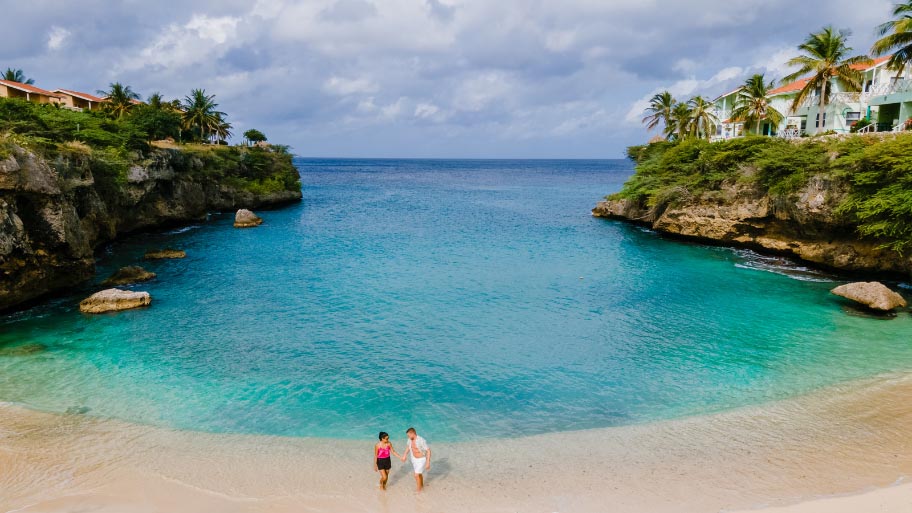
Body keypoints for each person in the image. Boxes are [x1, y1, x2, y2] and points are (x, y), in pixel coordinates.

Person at [400, 427, 431, 492]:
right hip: (414, 459)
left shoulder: (421, 440)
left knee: (416, 475)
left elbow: (428, 450)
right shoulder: (410, 439)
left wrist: (428, 462)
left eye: (408, 435)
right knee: (419, 474)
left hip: (421, 459)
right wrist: (404, 455)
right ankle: (421, 486)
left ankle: (418, 490)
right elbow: (408, 447)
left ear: (413, 433)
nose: (408, 437)